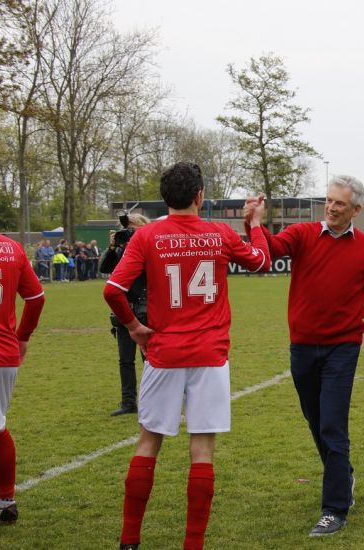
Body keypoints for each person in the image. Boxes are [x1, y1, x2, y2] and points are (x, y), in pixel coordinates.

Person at [104, 161, 271, 550]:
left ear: (165, 196)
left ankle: (129, 541)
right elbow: (261, 261)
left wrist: (134, 328)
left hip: (164, 352)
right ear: (199, 195)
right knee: (202, 449)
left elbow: (113, 290)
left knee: (148, 443)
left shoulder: (147, 236)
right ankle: (193, 543)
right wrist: (255, 223)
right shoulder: (219, 233)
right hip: (210, 355)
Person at [243, 175, 364, 537]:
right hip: (302, 346)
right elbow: (270, 250)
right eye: (329, 201)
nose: (331, 208)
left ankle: (334, 508)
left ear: (356, 210)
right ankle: (343, 476)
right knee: (316, 422)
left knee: (333, 425)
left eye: (340, 204)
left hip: (342, 348)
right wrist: (254, 224)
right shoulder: (302, 234)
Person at [0, 226, 45, 545]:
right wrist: (22, 337)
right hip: (3, 354)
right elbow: (36, 298)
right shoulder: (10, 247)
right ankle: (5, 502)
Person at [100, 213, 151, 417]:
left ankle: (153, 399)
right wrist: (112, 247)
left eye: (132, 228)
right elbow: (104, 268)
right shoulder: (121, 249)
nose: (128, 232)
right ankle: (128, 402)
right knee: (125, 360)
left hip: (145, 308)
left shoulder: (149, 246)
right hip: (124, 309)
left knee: (150, 359)